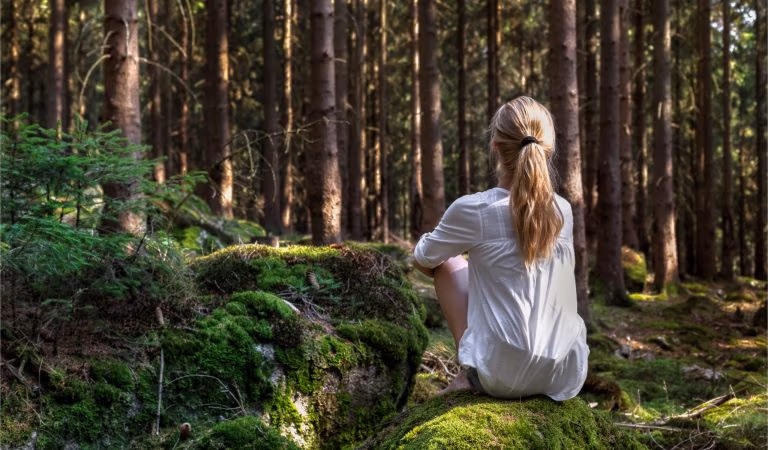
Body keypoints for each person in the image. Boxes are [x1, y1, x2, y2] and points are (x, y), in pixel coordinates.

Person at [412, 96, 588, 401]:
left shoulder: (475, 209)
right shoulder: (562, 210)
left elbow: (423, 257)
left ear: (495, 146)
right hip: (563, 373)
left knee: (449, 264)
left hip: (499, 377)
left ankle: (469, 373)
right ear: (547, 147)